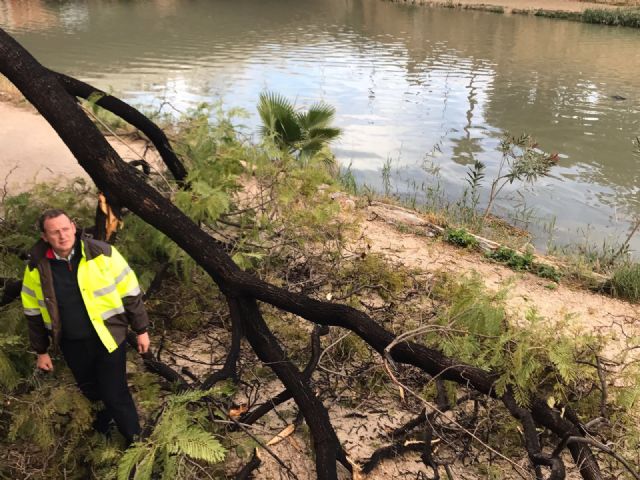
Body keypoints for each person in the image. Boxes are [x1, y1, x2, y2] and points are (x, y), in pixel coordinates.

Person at [20, 208, 150, 445]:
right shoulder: (35, 268)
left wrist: (141, 330)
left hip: (109, 338)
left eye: (66, 228)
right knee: (92, 394)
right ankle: (103, 443)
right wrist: (41, 351)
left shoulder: (102, 253)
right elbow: (32, 313)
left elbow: (130, 293)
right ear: (44, 237)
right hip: (72, 344)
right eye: (55, 232)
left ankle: (137, 445)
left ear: (73, 226)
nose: (62, 235)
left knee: (115, 393)